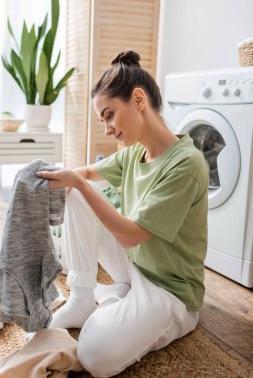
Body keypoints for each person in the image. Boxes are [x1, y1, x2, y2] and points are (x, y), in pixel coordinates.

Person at [36, 50, 209, 378]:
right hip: (137, 267)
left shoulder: (186, 163)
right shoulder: (134, 155)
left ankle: (114, 301)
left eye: (109, 115)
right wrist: (48, 178)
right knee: (76, 190)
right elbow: (83, 174)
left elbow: (132, 235)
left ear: (139, 99)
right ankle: (85, 297)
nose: (107, 129)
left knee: (94, 357)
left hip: (171, 291)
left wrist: (80, 184)